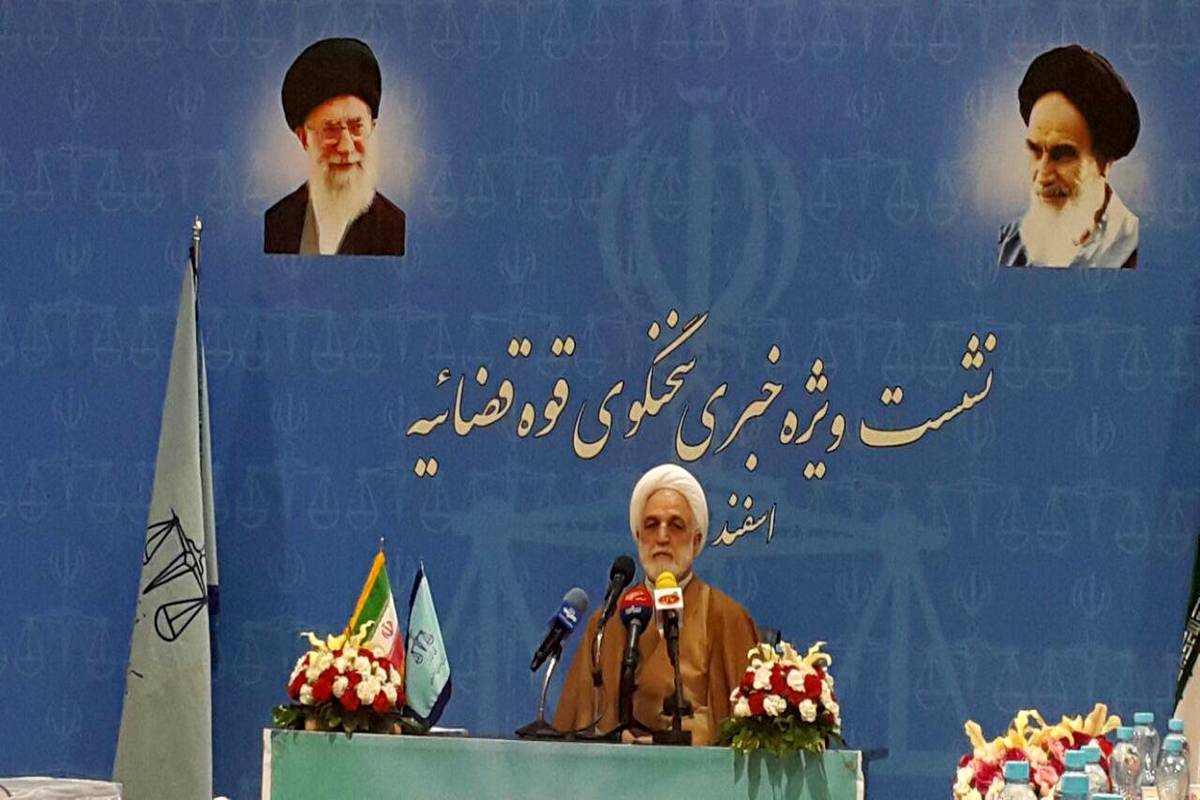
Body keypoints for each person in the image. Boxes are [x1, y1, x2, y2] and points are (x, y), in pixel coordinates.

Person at [552, 464, 759, 746]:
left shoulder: (725, 617)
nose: (662, 537)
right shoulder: (607, 622)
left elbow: (745, 733)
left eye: (676, 525)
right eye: (651, 525)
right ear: (638, 537)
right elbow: (573, 730)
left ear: (696, 541)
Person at [998, 44, 1139, 269]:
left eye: (1062, 155)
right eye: (1035, 151)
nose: (1042, 176)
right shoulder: (1008, 245)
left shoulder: (1133, 252)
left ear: (1103, 162)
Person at [264, 38, 406, 256]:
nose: (346, 147)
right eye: (331, 129)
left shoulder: (395, 228)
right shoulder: (276, 223)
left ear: (372, 128)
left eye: (356, 127)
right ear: (304, 138)